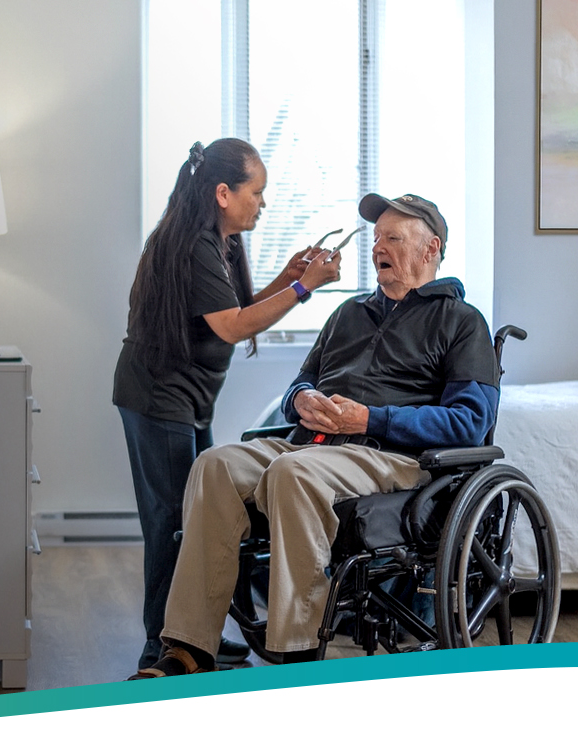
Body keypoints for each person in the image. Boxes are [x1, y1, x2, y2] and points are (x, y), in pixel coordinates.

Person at [128, 192, 500, 678]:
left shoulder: (460, 321)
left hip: (393, 456)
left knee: (292, 472)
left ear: (430, 250)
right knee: (215, 465)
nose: (377, 248)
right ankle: (187, 649)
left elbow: (469, 422)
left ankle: (297, 652)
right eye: (376, 238)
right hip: (316, 444)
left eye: (393, 238)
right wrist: (301, 400)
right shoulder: (348, 313)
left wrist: (369, 419)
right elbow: (299, 386)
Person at [113, 138, 342, 671]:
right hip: (157, 399)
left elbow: (230, 307)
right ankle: (163, 645)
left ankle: (195, 637)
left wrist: (288, 280)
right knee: (172, 524)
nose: (262, 203)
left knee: (198, 517)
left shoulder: (220, 243)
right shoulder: (194, 245)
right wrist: (305, 289)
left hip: (187, 401)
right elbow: (234, 325)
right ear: (223, 193)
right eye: (256, 192)